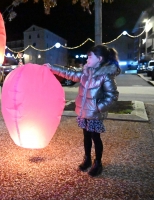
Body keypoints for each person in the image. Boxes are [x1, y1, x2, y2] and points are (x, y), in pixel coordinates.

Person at [47, 44, 120, 176]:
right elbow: (70, 73)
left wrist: (98, 107)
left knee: (95, 137)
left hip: (94, 113)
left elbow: (113, 95)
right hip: (83, 112)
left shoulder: (105, 75)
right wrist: (52, 68)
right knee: (86, 136)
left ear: (99, 58)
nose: (87, 60)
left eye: (89, 57)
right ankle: (87, 159)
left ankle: (98, 162)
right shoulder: (86, 72)